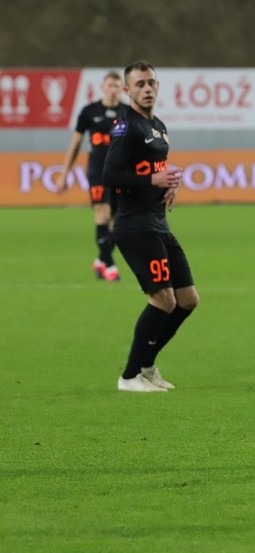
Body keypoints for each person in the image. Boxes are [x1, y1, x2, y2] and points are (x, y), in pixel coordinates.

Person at [103, 60, 199, 393]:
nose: (147, 89)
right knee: (163, 301)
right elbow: (110, 176)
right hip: (135, 226)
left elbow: (154, 168)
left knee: (187, 299)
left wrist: (169, 182)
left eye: (151, 83)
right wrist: (152, 178)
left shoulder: (157, 125)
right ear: (128, 91)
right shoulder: (125, 126)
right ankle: (130, 376)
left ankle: (147, 365)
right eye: (140, 84)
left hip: (157, 221)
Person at [58, 71, 130, 281]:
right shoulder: (90, 112)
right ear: (103, 87)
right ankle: (110, 266)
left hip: (121, 173)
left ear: (122, 89)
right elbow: (75, 143)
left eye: (117, 86)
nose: (113, 89)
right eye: (110, 85)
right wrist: (64, 174)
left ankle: (101, 259)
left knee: (118, 222)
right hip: (98, 171)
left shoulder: (127, 112)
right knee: (102, 214)